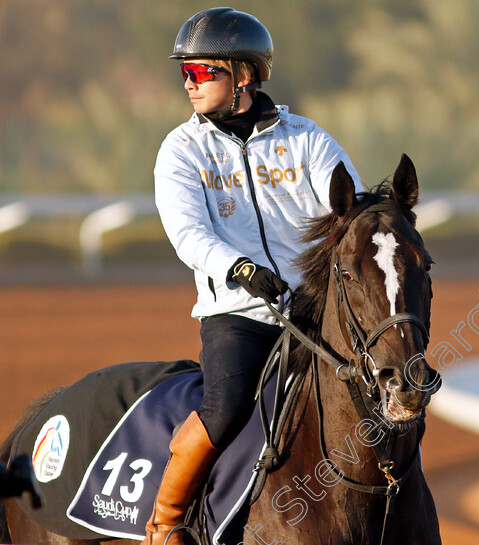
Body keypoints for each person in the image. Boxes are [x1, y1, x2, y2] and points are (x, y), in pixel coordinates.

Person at [145, 8, 363, 545]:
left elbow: (349, 214)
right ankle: (166, 524)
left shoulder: (307, 139)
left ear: (243, 76)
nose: (190, 85)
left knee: (374, 394)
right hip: (237, 317)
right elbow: (188, 234)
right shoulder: (181, 150)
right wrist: (241, 269)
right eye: (185, 74)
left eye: (201, 73)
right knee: (225, 410)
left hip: (312, 313)